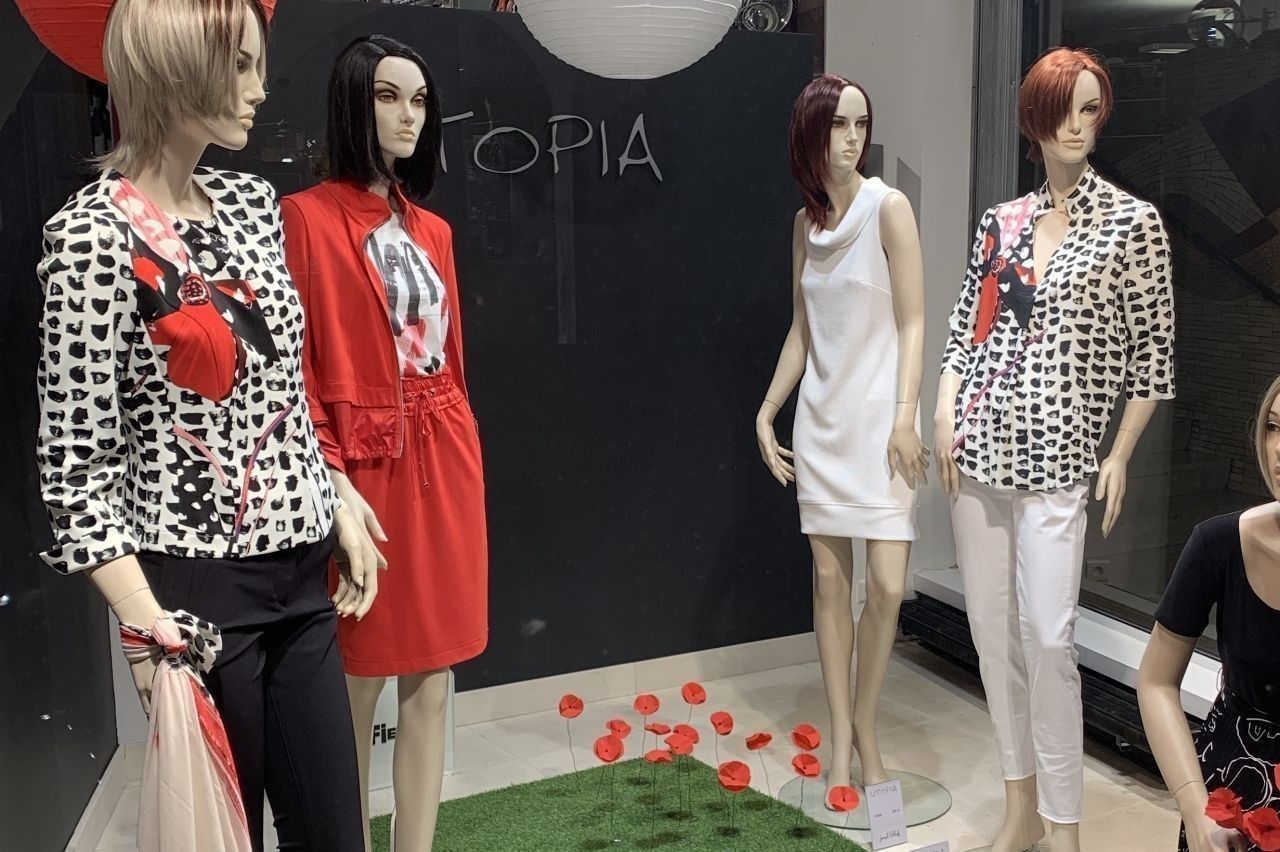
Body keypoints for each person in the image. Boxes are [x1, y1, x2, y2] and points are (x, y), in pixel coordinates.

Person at [30, 1, 380, 848]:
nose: (260, 89)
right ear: (175, 68)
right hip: (195, 593)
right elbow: (75, 467)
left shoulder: (252, 205)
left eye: (259, 64)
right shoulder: (91, 240)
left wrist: (334, 493)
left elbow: (283, 383)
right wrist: (144, 625)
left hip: (302, 574)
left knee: (336, 829)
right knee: (221, 833)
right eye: (240, 66)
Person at [282, 35, 489, 852]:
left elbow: (451, 358)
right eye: (388, 96)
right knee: (356, 674)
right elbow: (297, 369)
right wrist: (332, 475)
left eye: (420, 101)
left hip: (445, 455)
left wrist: (463, 443)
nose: (410, 116)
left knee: (435, 673)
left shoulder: (432, 231)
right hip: (365, 470)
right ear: (352, 102)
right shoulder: (306, 218)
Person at [1139, 377, 1280, 852]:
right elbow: (1156, 682)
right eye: (1273, 427)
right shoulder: (1219, 544)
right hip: (1234, 796)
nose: (1278, 450)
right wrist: (1194, 806)